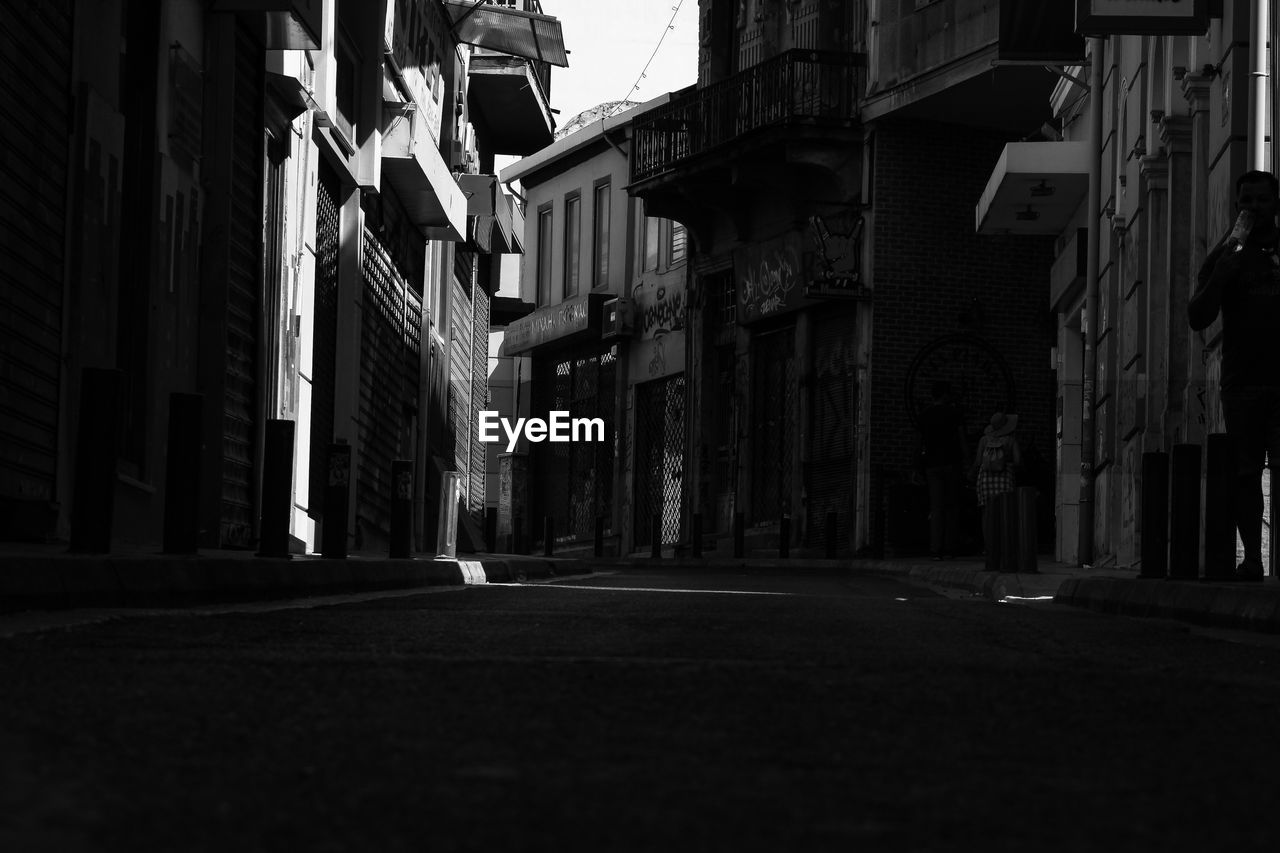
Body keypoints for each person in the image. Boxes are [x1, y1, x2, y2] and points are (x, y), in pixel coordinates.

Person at [1188, 169, 1280, 581]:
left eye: (1262, 201)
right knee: (1245, 473)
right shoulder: (1226, 254)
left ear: (1275, 205)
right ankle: (1253, 560)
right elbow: (1197, 315)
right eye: (1247, 201)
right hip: (1241, 381)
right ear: (1236, 206)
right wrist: (1223, 273)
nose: (1254, 209)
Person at [917, 381, 967, 560]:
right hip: (951, 462)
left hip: (932, 464)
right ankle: (949, 547)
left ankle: (935, 548)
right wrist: (966, 457)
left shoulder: (925, 415)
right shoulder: (954, 413)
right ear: (945, 395)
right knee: (952, 506)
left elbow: (920, 440)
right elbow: (961, 438)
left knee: (936, 506)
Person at [971, 412, 1021, 571]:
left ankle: (989, 549)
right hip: (1005, 478)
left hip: (985, 480)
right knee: (1005, 515)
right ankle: (1004, 548)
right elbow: (1018, 461)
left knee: (987, 516)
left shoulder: (984, 440)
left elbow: (979, 462)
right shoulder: (1011, 440)